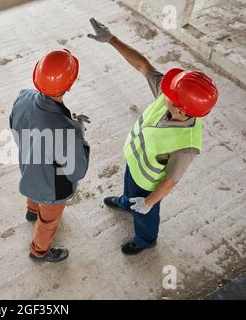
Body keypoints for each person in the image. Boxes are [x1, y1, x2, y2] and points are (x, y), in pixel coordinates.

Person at [87, 18, 219, 255]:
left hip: (149, 185)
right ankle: (126, 202)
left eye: (170, 91)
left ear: (182, 109)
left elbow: (170, 181)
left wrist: (148, 202)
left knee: (145, 213)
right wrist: (112, 40)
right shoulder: (169, 98)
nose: (164, 87)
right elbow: (142, 66)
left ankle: (146, 239)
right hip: (135, 164)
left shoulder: (186, 146)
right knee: (129, 191)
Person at [9, 49, 91, 262]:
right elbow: (77, 171)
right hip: (53, 186)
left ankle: (31, 210)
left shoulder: (23, 97)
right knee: (48, 221)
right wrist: (78, 132)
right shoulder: (66, 130)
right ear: (70, 85)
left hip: (30, 167)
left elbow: (14, 124)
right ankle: (39, 251)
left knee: (35, 184)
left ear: (36, 75)